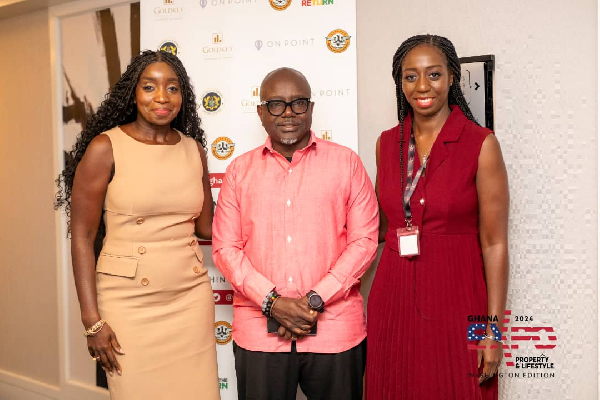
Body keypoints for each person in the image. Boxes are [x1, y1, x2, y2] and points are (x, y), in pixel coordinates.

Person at [55, 50, 219, 399]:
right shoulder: (106, 147)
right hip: (129, 303)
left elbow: (207, 228)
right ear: (133, 93)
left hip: (189, 300)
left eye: (172, 88)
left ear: (183, 96)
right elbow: (83, 237)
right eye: (150, 87)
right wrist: (91, 320)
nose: (162, 97)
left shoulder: (193, 150)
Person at [212, 67, 379, 400]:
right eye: (276, 104)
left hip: (335, 331)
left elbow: (364, 242)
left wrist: (313, 300)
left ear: (312, 108)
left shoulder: (346, 163)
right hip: (260, 337)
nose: (288, 113)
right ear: (261, 112)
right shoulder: (238, 171)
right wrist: (272, 302)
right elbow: (225, 248)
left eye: (298, 103)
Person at [365, 34, 509, 399]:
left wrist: (491, 332)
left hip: (459, 298)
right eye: (410, 76)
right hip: (393, 297)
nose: (422, 86)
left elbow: (494, 245)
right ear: (399, 83)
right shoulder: (386, 143)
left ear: (452, 78)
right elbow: (380, 228)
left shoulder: (480, 143)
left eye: (434, 74)